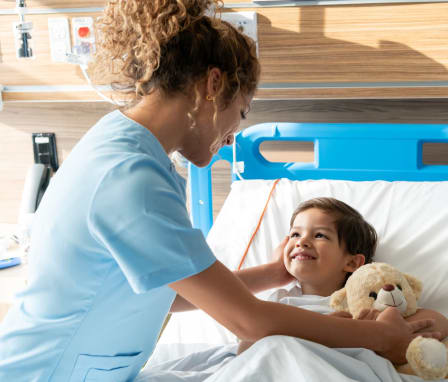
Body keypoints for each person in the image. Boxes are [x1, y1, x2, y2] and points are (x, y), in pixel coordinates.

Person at [0, 1, 440, 381]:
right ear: (213, 86)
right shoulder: (129, 177)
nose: (233, 134)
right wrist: (378, 335)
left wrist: (273, 274)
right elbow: (248, 320)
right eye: (241, 112)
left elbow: (163, 291)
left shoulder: (134, 153)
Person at [238, 197, 448, 355]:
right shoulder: (279, 301)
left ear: (351, 262)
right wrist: (275, 270)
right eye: (295, 234)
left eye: (320, 235)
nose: (301, 241)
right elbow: (246, 350)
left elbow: (437, 322)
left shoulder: (363, 304)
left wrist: (375, 331)